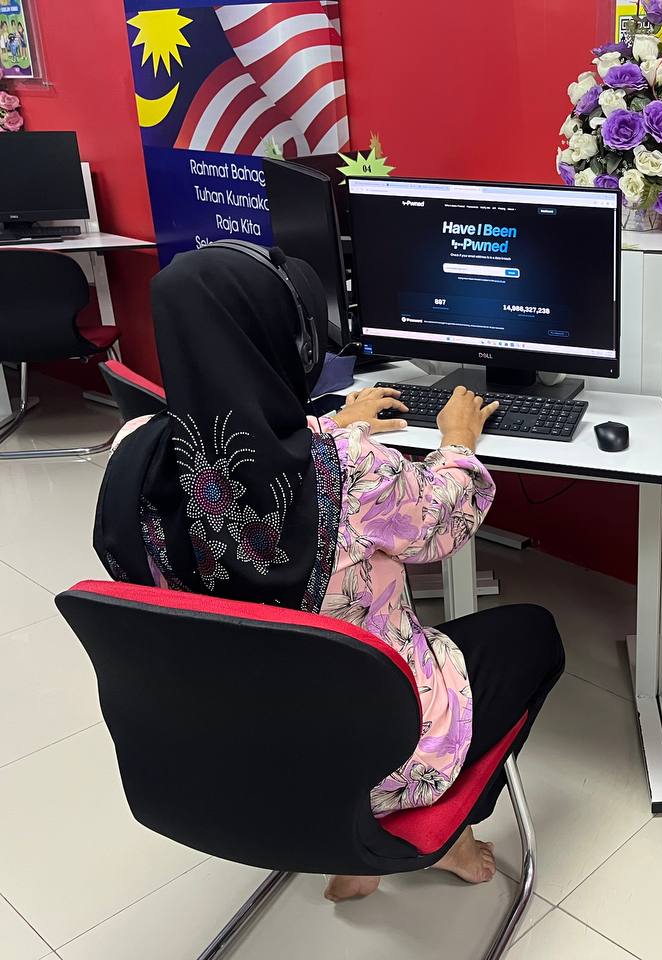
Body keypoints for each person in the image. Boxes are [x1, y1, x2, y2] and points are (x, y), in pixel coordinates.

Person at [94, 245, 564, 902]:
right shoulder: (351, 467)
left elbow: (239, 453)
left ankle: (357, 853)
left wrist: (326, 425)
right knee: (533, 633)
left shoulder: (132, 453)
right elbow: (445, 520)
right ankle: (440, 834)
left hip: (220, 754)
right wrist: (457, 440)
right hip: (371, 762)